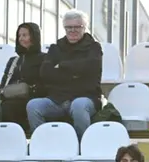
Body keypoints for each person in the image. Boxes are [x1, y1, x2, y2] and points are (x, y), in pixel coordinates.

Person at [28, 9, 102, 140]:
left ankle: (82, 145)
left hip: (86, 97)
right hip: (57, 98)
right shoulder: (56, 48)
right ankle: (42, 143)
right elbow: (45, 73)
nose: (72, 30)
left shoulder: (94, 48)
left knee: (79, 106)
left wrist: (62, 66)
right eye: (68, 27)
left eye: (77, 27)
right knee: (33, 106)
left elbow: (91, 68)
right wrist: (76, 73)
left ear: (84, 27)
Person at [0, 22, 45, 133]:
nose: (21, 39)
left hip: (32, 98)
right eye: (19, 36)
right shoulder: (14, 60)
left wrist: (28, 89)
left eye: (25, 35)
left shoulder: (44, 59)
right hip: (11, 98)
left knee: (9, 108)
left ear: (34, 37)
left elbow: (45, 83)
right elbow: (4, 83)